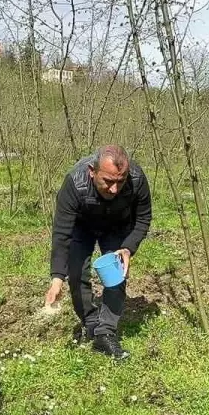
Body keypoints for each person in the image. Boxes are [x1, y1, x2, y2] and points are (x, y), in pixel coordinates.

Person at [43, 145, 152, 360]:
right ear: (92, 171)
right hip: (81, 227)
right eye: (108, 181)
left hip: (117, 227)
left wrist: (128, 248)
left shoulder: (137, 179)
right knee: (76, 274)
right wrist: (57, 278)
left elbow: (143, 218)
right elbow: (62, 232)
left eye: (120, 182)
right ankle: (91, 325)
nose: (114, 189)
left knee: (115, 275)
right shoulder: (75, 183)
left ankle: (105, 333)